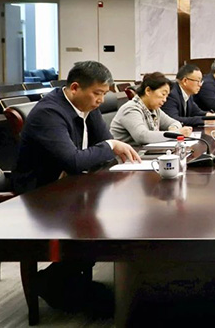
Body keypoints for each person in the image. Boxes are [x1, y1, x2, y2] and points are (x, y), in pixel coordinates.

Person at [13, 61, 140, 314]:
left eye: (104, 94)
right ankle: (54, 282)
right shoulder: (49, 113)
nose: (101, 100)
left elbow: (102, 147)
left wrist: (106, 148)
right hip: (38, 195)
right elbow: (75, 159)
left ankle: (70, 279)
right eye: (97, 93)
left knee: (113, 215)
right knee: (98, 220)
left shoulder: (86, 106)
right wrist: (108, 148)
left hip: (69, 184)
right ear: (74, 88)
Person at [110, 72, 192, 147]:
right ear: (148, 91)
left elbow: (175, 122)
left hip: (144, 153)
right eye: (163, 94)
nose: (165, 100)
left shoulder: (154, 109)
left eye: (166, 96)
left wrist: (174, 128)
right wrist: (176, 133)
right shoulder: (130, 109)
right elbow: (142, 136)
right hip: (126, 156)